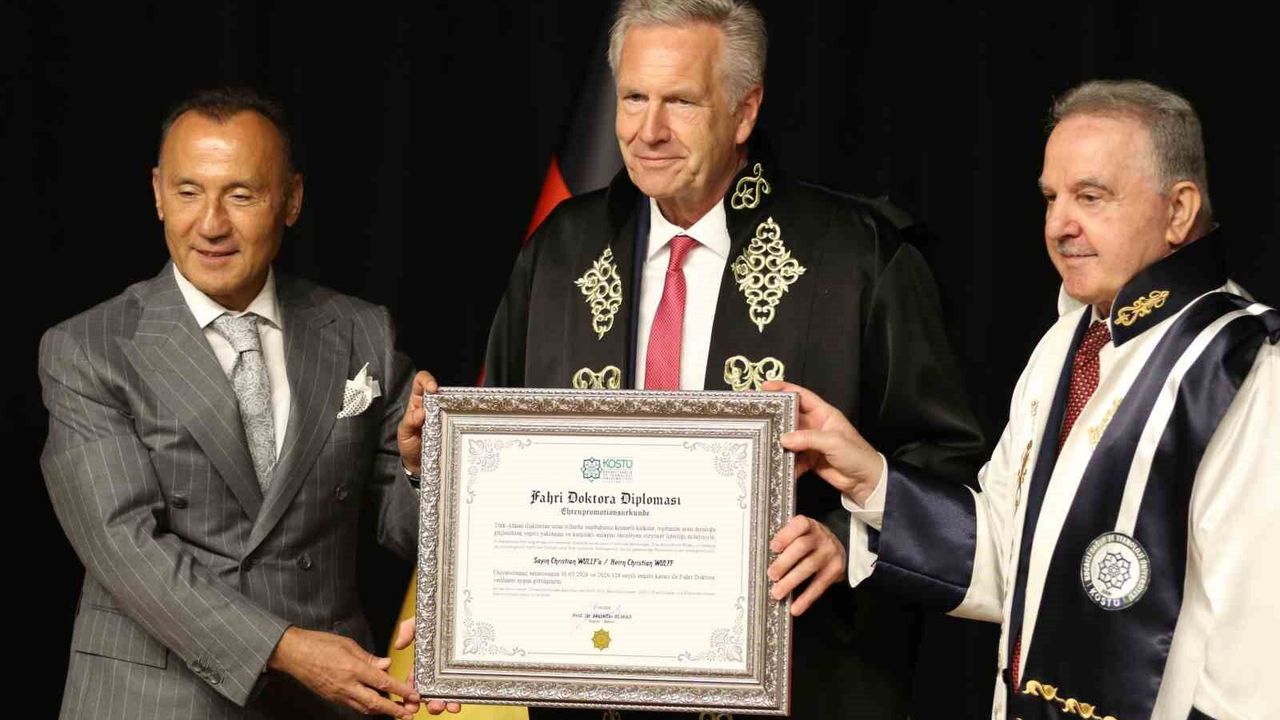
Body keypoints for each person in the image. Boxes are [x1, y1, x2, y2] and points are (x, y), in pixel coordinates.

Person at [400, 1, 986, 717]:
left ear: (745, 112)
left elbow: (947, 461)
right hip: (594, 695)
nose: (647, 131)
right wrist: (439, 487)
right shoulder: (559, 252)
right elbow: (509, 468)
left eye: (679, 101)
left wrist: (848, 542)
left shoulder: (859, 255)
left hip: (800, 686)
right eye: (633, 98)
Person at [772, 79, 1279, 720]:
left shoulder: (1245, 369)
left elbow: (1258, 656)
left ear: (1178, 210)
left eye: (1090, 197)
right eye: (1051, 198)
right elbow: (1011, 559)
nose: (1060, 226)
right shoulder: (1068, 341)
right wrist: (870, 477)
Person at [39, 87, 456, 719]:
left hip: (321, 706)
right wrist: (285, 649)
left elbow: (409, 530)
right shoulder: (89, 349)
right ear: (156, 193)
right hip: (151, 699)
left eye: (241, 195)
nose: (211, 224)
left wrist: (421, 469)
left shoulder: (361, 331)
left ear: (291, 199)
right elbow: (125, 547)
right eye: (188, 192)